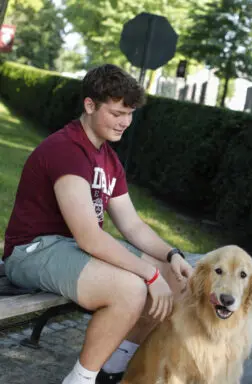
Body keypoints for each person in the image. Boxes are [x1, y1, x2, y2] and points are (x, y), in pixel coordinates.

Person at [2, 64, 193, 384]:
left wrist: (172, 256)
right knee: (130, 289)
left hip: (71, 249)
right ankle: (81, 379)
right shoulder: (66, 149)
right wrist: (149, 273)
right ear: (89, 105)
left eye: (130, 114)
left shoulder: (109, 160)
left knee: (173, 278)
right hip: (33, 250)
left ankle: (113, 370)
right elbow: (90, 236)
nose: (125, 122)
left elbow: (132, 225)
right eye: (117, 112)